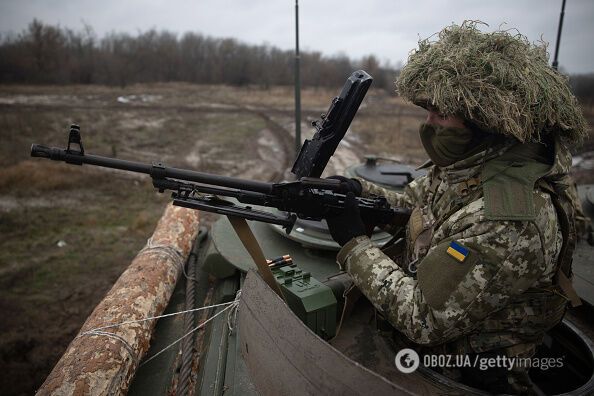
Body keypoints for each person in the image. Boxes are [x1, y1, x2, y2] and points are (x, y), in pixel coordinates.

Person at [326, 21, 588, 395]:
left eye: (440, 113)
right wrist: (355, 192)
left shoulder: (508, 219)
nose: (428, 124)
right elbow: (419, 201)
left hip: (469, 372)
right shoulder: (475, 163)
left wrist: (354, 245)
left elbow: (423, 318)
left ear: (484, 122)